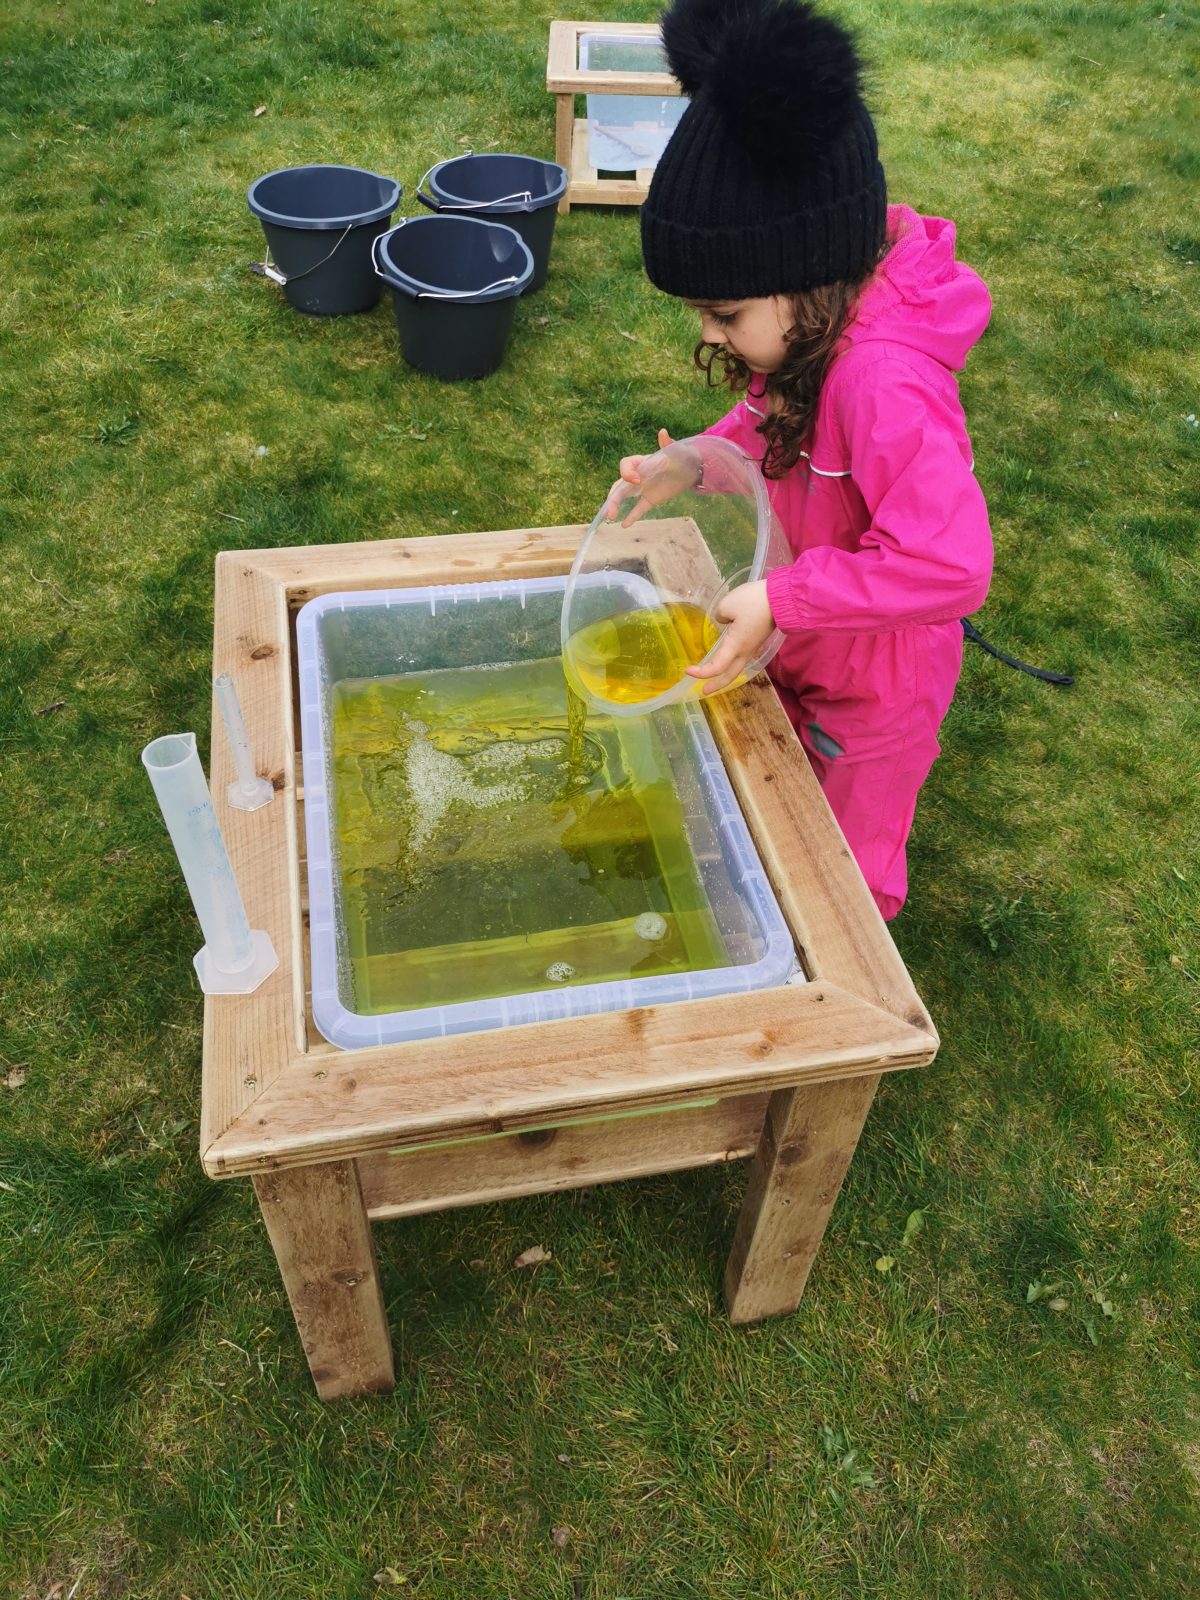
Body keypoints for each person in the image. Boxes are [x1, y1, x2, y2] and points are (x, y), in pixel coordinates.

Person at [610, 0, 994, 921]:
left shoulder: (882, 386)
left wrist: (785, 598)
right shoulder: (812, 338)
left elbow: (949, 562)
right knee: (785, 791)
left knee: (842, 852)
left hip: (879, 681)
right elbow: (774, 421)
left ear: (808, 274)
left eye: (725, 314)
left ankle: (842, 957)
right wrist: (697, 461)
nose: (711, 333)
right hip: (818, 632)